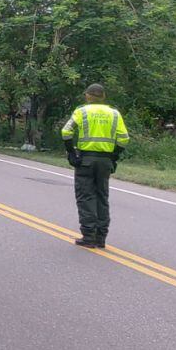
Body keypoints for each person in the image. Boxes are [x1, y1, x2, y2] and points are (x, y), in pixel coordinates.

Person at [61, 83, 130, 249]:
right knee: (102, 196)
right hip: (105, 160)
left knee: (86, 196)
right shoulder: (114, 114)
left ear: (87, 96)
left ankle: (88, 235)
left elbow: (66, 131)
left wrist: (71, 152)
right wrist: (114, 157)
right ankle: (101, 237)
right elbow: (124, 138)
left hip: (86, 160)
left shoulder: (82, 111)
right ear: (103, 97)